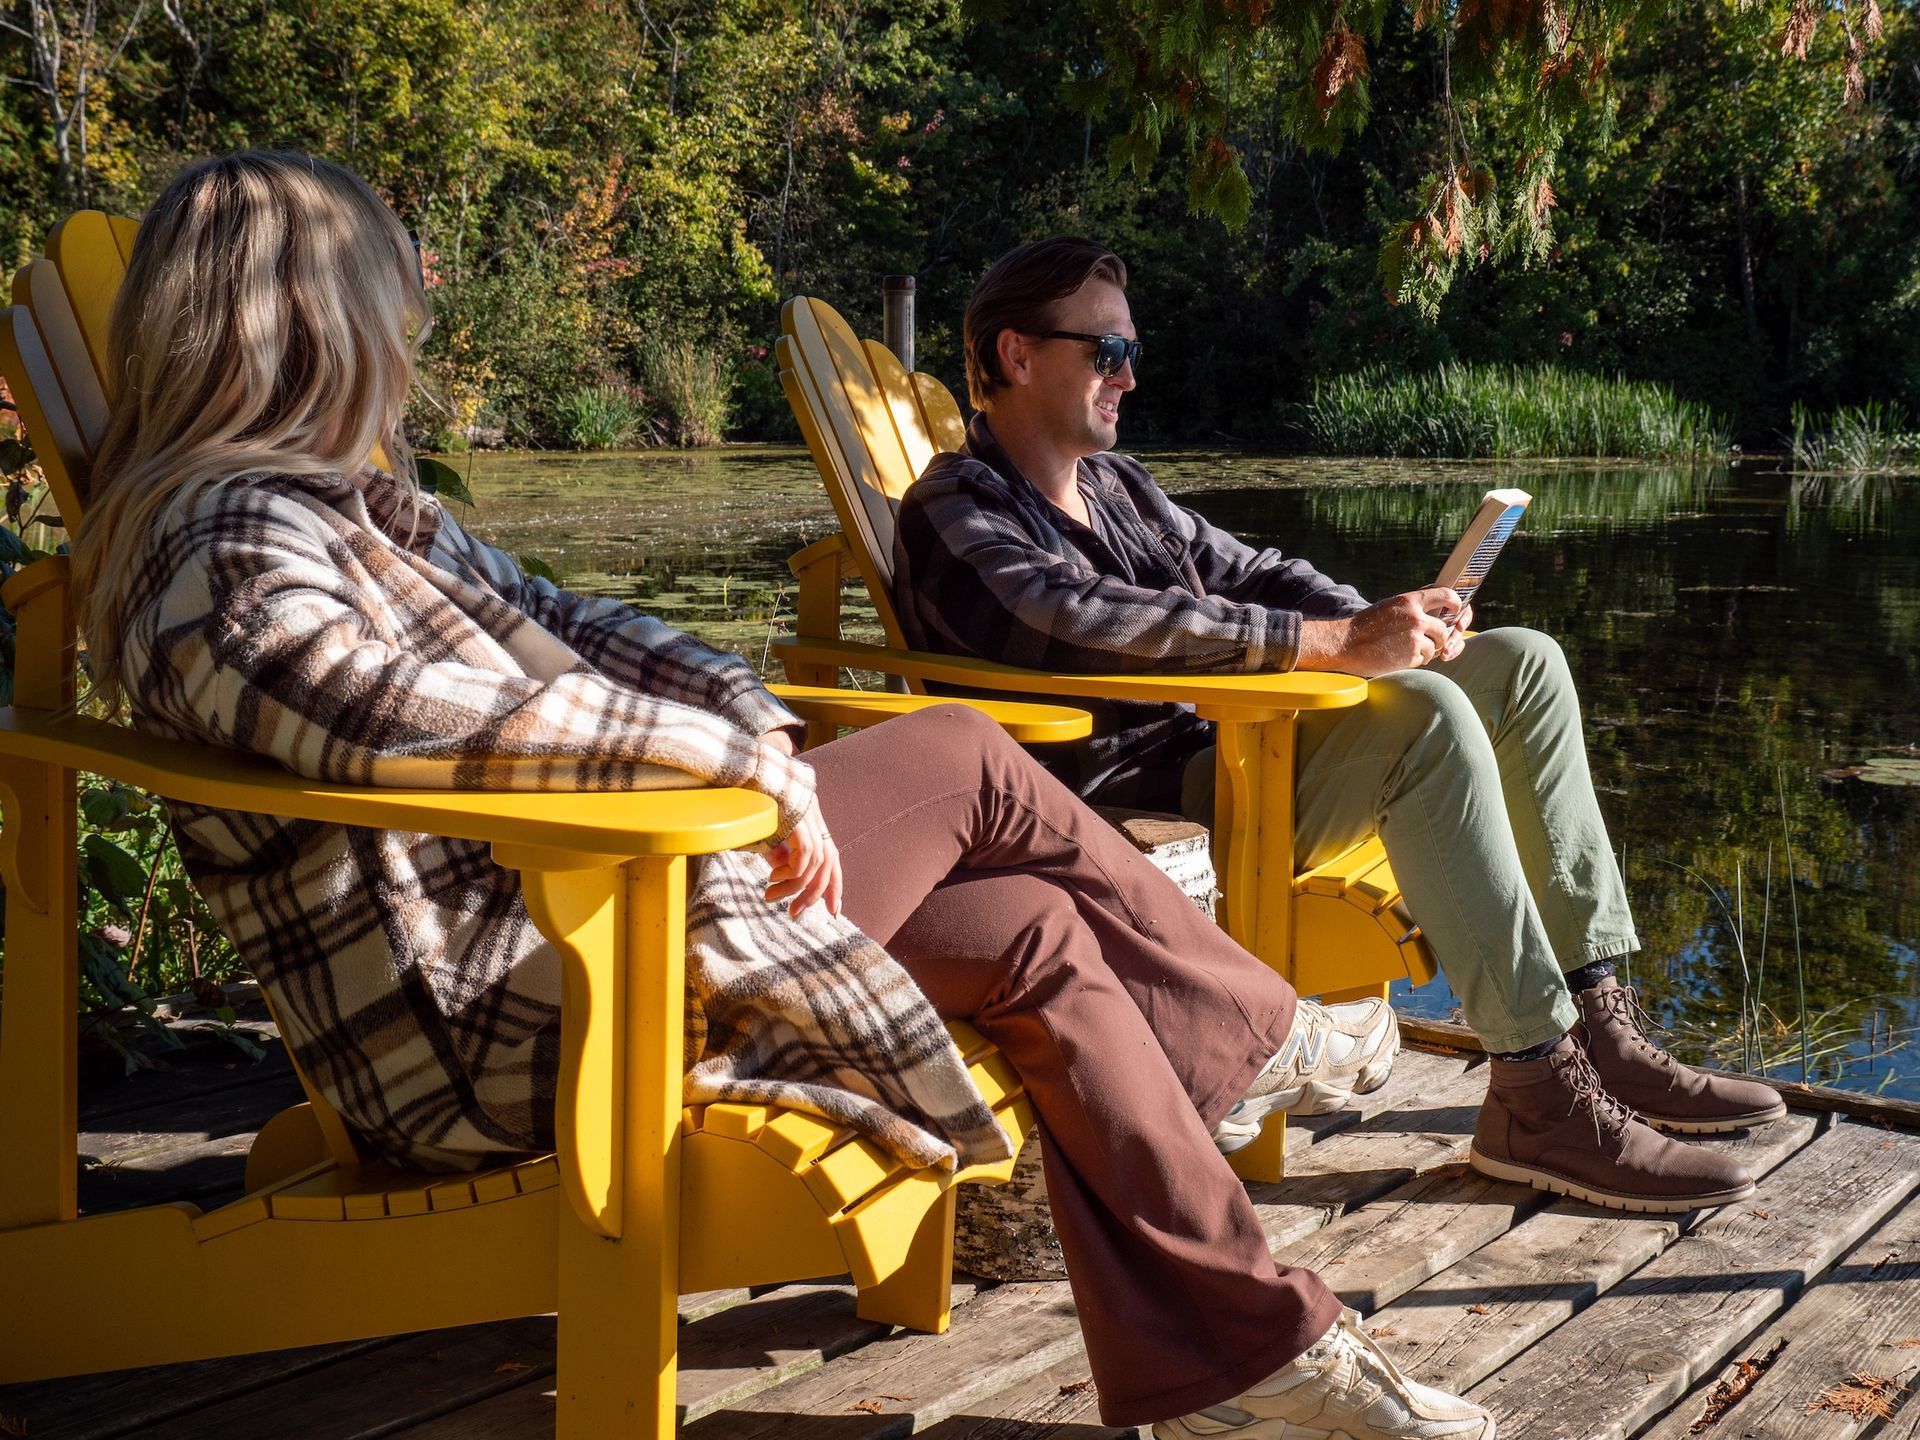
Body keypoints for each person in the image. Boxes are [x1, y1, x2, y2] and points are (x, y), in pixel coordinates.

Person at [70, 151, 1492, 1440]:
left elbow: (610, 633)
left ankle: (1251, 1367)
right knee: (962, 755)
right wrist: (724, 757)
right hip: (519, 1003)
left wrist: (742, 717)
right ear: (315, 324)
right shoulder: (223, 544)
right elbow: (381, 707)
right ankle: (1261, 1027)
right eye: (398, 306)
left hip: (602, 930)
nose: (417, 338)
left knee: (1031, 935)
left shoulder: (362, 512)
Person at [892, 236, 1789, 1219]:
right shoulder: (955, 505)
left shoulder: (1121, 491)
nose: (1131, 376)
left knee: (1525, 662)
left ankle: (1600, 1033)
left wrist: (1382, 624)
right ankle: (1537, 1093)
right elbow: (1076, 621)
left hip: (1237, 752)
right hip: (1129, 819)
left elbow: (1255, 570)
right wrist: (1331, 644)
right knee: (1425, 720)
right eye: (1106, 351)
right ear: (1018, 356)